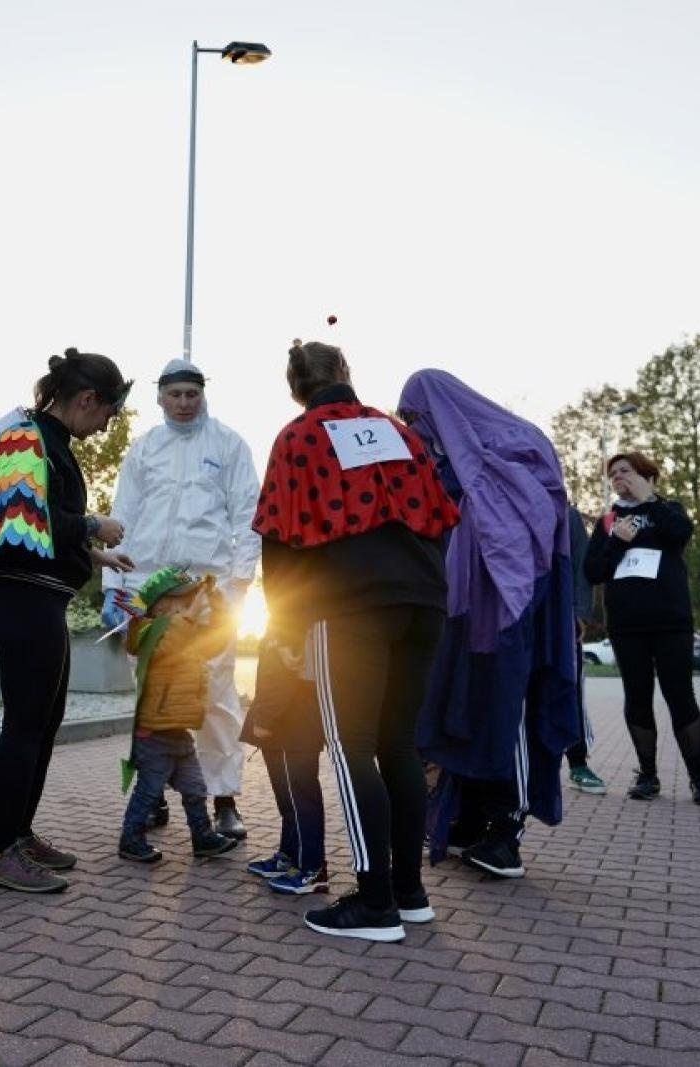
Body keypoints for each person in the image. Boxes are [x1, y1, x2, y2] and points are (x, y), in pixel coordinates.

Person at [253, 340, 457, 941]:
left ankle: (374, 905)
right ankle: (408, 891)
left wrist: (284, 627)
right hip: (423, 599)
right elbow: (442, 513)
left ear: (295, 385)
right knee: (398, 746)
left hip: (352, 608)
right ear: (345, 372)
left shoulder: (298, 436)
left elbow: (277, 536)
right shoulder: (397, 431)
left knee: (350, 747)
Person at [397, 370, 584, 882]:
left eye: (414, 417)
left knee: (512, 711)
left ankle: (507, 830)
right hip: (466, 610)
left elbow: (539, 520)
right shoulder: (444, 457)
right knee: (468, 708)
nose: (412, 428)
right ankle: (471, 821)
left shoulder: (517, 444)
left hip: (517, 605)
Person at [0, 347, 134, 893]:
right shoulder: (29, 440)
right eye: (108, 412)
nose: (107, 425)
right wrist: (92, 523)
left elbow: (32, 528)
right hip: (22, 600)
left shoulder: (42, 439)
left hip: (34, 595)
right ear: (86, 399)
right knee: (24, 725)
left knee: (43, 721)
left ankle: (18, 832)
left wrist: (92, 553)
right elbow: (29, 515)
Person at [103, 358, 261, 839]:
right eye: (175, 395)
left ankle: (225, 798)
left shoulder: (229, 445)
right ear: (160, 397)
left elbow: (248, 518)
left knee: (214, 696)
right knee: (151, 697)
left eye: (192, 394)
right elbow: (122, 514)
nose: (184, 403)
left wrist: (237, 586)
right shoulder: (145, 448)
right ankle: (150, 796)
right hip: (147, 590)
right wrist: (114, 587)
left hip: (206, 592)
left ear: (204, 394)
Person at [583, 452, 700, 805]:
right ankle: (647, 775)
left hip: (670, 620)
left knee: (680, 695)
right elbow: (592, 571)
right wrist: (617, 541)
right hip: (628, 624)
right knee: (637, 697)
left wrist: (648, 500)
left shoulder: (668, 510)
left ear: (647, 475)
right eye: (612, 474)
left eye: (625, 471)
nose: (617, 478)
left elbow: (680, 534)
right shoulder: (608, 521)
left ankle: (699, 778)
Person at [116, 568, 241, 864]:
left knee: (195, 789)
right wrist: (190, 614)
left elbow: (216, 640)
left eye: (188, 604)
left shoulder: (185, 632)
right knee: (148, 791)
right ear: (160, 606)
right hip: (155, 732)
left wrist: (216, 602)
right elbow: (172, 642)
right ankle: (130, 840)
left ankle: (203, 837)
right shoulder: (152, 632)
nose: (190, 609)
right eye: (183, 604)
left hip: (178, 732)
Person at [240, 630, 332, 895]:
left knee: (301, 798)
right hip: (286, 723)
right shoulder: (283, 615)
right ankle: (290, 855)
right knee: (289, 799)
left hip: (295, 722)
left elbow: (283, 673)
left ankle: (312, 868)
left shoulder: (294, 616)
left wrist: (265, 717)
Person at [565, 506, 608, 794]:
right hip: (513, 616)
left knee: (570, 689)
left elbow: (581, 563)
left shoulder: (566, 514)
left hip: (561, 617)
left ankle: (578, 763)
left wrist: (580, 612)